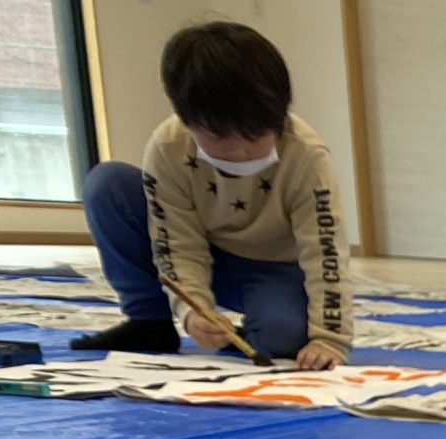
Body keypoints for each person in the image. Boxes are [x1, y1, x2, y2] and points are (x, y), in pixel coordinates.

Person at [72, 22, 350, 369]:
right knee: (108, 185)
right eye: (220, 138)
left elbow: (325, 252)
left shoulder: (305, 154)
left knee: (282, 339)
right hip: (207, 254)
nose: (241, 151)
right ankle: (149, 321)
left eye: (255, 136)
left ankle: (253, 330)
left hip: (274, 268)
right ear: (187, 120)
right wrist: (193, 311)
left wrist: (330, 338)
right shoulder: (169, 147)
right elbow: (176, 242)